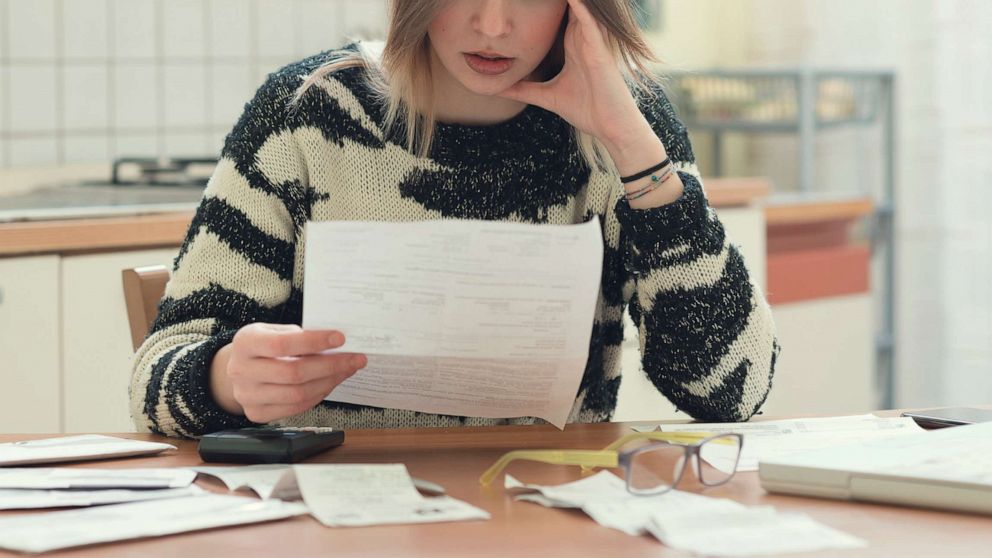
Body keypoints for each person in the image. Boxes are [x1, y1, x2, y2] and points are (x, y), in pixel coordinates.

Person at [130, 0, 779, 438]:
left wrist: (632, 145)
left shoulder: (624, 124)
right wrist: (224, 379)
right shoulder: (305, 113)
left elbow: (732, 392)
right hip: (333, 519)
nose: (492, 25)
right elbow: (154, 376)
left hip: (544, 517)